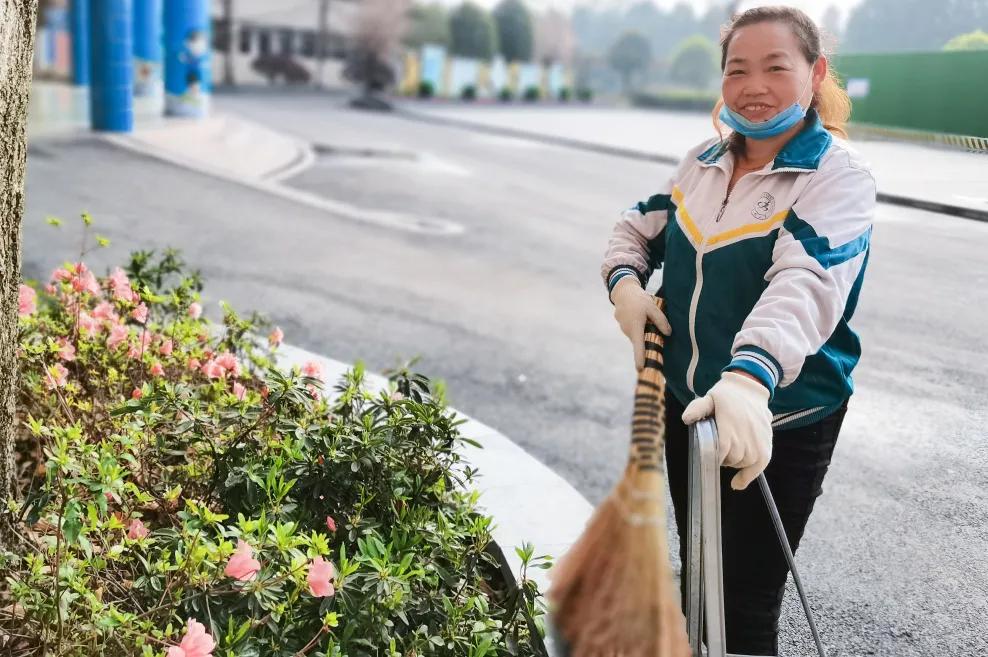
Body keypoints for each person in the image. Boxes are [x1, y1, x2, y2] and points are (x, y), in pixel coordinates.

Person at [600, 6, 876, 655]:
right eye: (737, 69)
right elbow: (635, 227)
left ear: (816, 72)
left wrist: (750, 377)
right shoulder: (701, 161)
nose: (754, 85)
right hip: (687, 407)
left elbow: (804, 282)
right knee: (698, 571)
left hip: (777, 419)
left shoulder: (838, 175)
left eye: (776, 67)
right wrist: (625, 287)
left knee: (745, 605)